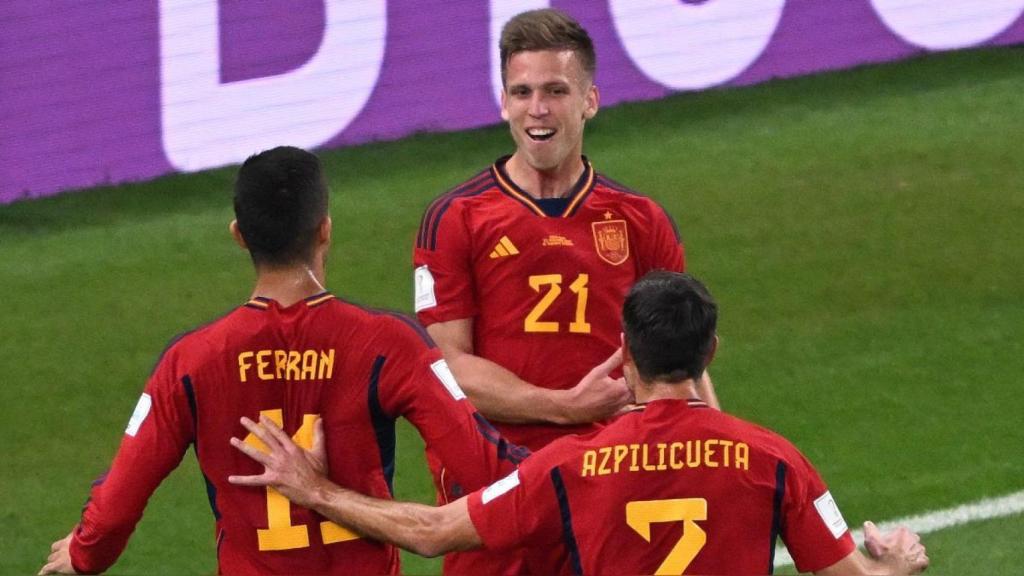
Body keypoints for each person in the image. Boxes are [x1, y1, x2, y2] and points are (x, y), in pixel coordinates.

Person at [228, 271, 930, 576]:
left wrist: (317, 492)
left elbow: (434, 534)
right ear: (709, 352)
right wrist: (895, 561)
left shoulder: (573, 466)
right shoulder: (774, 460)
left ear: (623, 356)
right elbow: (859, 574)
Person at [39, 146, 524, 575]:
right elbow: (491, 471)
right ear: (325, 229)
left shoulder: (190, 362)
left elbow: (117, 508)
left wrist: (84, 553)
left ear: (238, 235)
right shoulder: (389, 345)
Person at [413, 9, 718, 571]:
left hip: (612, 481)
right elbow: (447, 368)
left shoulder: (639, 220)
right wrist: (563, 408)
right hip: (499, 481)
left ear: (590, 101)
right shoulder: (457, 218)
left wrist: (714, 456)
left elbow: (683, 361)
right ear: (503, 102)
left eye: (556, 90)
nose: (538, 109)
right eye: (522, 91)